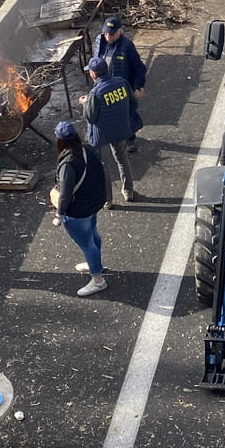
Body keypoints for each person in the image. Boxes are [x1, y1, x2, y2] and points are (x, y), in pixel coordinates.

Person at [49, 120, 110, 297]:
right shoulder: (88, 150)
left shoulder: (68, 163)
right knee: (93, 234)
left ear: (59, 141)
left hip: (77, 211)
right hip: (92, 204)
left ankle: (98, 280)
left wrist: (59, 215)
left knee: (86, 244)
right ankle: (95, 264)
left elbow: (65, 193)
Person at [81, 56, 137, 203]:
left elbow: (90, 117)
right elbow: (133, 103)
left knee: (104, 165)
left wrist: (85, 103)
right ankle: (128, 191)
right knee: (122, 158)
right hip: (121, 130)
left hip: (102, 134)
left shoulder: (95, 93)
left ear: (94, 74)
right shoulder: (121, 83)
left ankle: (107, 200)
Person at [94, 16, 147, 145]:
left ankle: (130, 140)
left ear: (119, 32)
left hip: (122, 88)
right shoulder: (99, 41)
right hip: (104, 85)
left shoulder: (126, 46)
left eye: (111, 34)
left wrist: (138, 87)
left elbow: (140, 68)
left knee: (125, 113)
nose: (108, 36)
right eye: (106, 32)